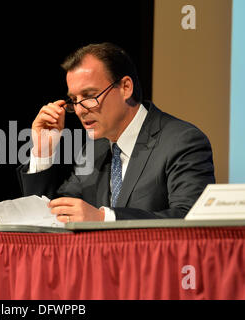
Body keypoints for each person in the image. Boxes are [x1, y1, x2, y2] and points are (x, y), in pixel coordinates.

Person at [16, 42, 215, 223]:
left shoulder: (182, 141)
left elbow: (190, 217)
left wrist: (105, 218)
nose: (79, 109)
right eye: (74, 100)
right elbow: (52, 218)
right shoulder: (94, 149)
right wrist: (43, 152)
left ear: (126, 87)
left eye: (89, 96)